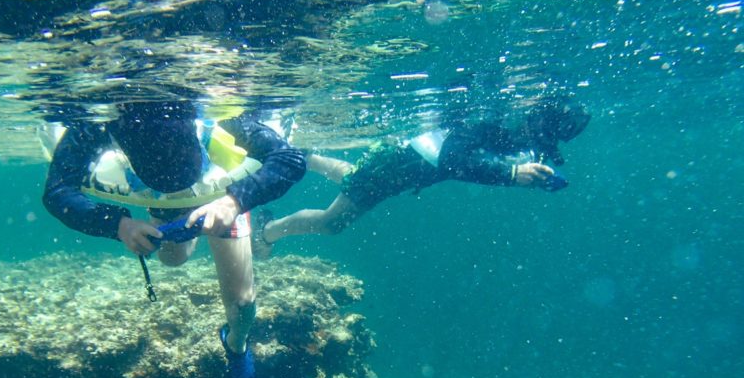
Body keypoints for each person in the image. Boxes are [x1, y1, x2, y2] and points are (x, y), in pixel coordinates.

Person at [42, 100, 306, 378]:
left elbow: (290, 158)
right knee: (173, 259)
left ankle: (236, 345)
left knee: (243, 303)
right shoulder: (99, 119)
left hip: (222, 191)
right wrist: (119, 225)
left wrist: (234, 202)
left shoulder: (223, 112)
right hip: (162, 200)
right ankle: (186, 226)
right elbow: (57, 191)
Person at [251, 94, 590, 257]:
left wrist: (532, 171)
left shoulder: (517, 127)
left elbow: (507, 155)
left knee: (355, 177)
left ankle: (304, 156)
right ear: (535, 118)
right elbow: (453, 160)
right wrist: (511, 173)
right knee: (332, 223)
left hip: (398, 167)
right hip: (395, 168)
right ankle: (267, 233)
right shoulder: (489, 118)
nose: (535, 139)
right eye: (540, 132)